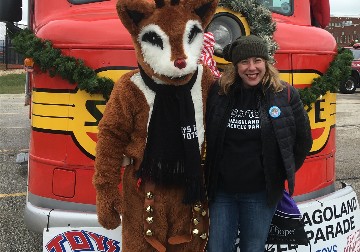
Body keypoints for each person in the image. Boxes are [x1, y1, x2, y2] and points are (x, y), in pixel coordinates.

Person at [204, 35, 313, 252]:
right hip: (221, 192)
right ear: (235, 66)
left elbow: (303, 141)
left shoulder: (285, 94)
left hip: (260, 194)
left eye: (257, 60)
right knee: (217, 248)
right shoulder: (219, 92)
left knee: (253, 248)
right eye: (244, 62)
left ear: (266, 63)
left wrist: (279, 172)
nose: (251, 68)